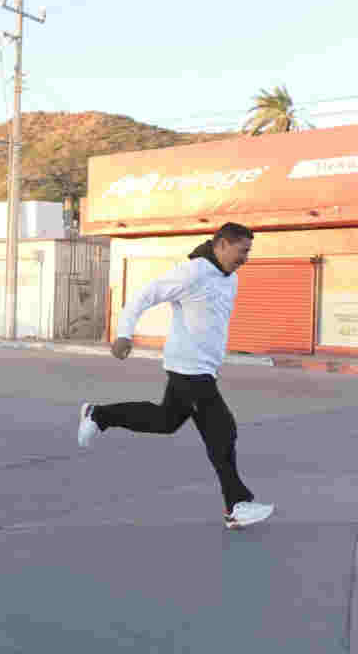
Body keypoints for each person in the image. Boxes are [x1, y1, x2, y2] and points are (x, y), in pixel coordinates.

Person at [77, 222, 275, 530]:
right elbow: (144, 296)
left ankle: (99, 415)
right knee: (222, 430)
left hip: (203, 369)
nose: (245, 258)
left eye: (248, 252)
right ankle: (237, 505)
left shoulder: (230, 279)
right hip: (189, 369)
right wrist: (124, 334)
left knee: (165, 421)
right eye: (242, 251)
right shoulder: (192, 273)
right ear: (222, 245)